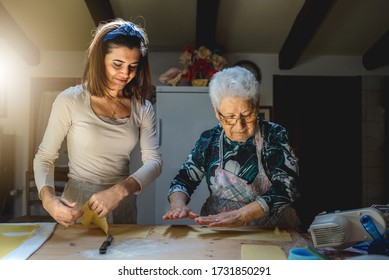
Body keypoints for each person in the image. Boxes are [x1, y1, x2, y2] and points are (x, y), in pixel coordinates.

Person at [34, 18, 162, 227]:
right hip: (77, 202)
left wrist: (120, 190)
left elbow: (154, 162)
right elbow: (45, 157)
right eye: (117, 64)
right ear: (100, 59)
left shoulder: (142, 107)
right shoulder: (70, 100)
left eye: (133, 66)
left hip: (122, 202)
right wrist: (49, 201)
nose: (125, 73)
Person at [163, 66, 300, 228]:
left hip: (272, 230)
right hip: (221, 230)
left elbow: (286, 188)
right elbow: (184, 179)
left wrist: (240, 216)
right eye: (229, 117)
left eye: (247, 114)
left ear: (257, 106)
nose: (239, 125)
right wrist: (178, 204)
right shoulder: (209, 139)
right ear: (216, 112)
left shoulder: (274, 135)